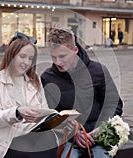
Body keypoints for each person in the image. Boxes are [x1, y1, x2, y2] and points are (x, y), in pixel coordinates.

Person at [41, 28, 123, 158]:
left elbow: (113, 103)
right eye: (53, 57)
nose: (58, 62)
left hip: (99, 131)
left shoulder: (98, 70)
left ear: (75, 50)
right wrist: (72, 132)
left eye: (62, 56)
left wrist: (102, 127)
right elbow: (49, 115)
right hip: (70, 136)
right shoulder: (47, 78)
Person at [0, 34, 58, 158]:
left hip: (33, 131)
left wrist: (56, 120)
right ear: (11, 55)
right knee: (24, 149)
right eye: (22, 56)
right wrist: (17, 113)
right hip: (7, 136)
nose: (26, 62)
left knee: (49, 142)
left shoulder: (34, 80)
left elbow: (44, 109)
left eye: (30, 58)